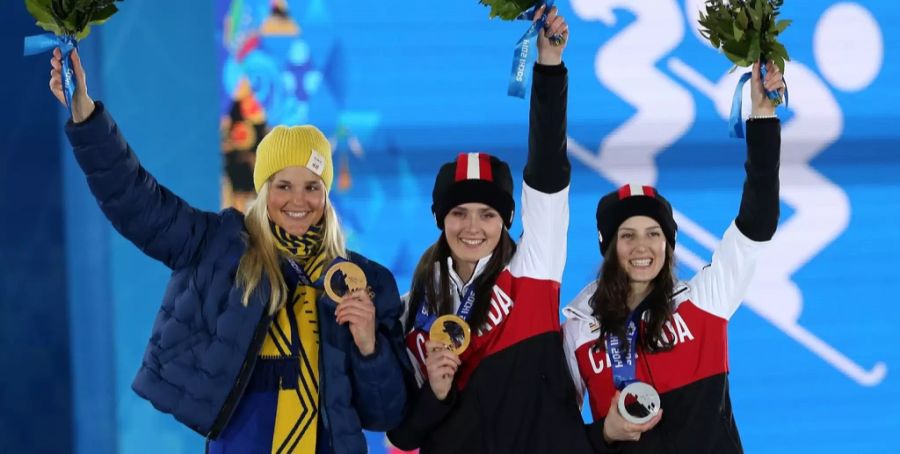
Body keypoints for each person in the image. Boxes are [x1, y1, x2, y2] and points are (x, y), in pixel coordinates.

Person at [49, 46, 408, 453]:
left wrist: (368, 345)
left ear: (326, 195)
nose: (298, 200)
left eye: (312, 187)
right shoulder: (219, 246)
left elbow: (387, 414)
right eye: (283, 186)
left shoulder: (366, 281)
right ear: (262, 189)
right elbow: (137, 202)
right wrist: (86, 118)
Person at [386, 6, 592, 453]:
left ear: (508, 220)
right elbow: (400, 434)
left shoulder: (534, 268)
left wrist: (549, 67)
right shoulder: (411, 311)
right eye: (459, 213)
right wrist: (436, 394)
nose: (473, 227)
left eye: (488, 214)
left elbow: (548, 174)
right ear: (440, 219)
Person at [561, 60, 785, 453]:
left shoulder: (704, 301)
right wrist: (605, 434)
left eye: (653, 234)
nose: (642, 248)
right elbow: (554, 437)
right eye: (626, 236)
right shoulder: (579, 331)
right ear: (608, 248)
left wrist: (763, 115)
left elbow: (757, 222)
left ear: (669, 243)